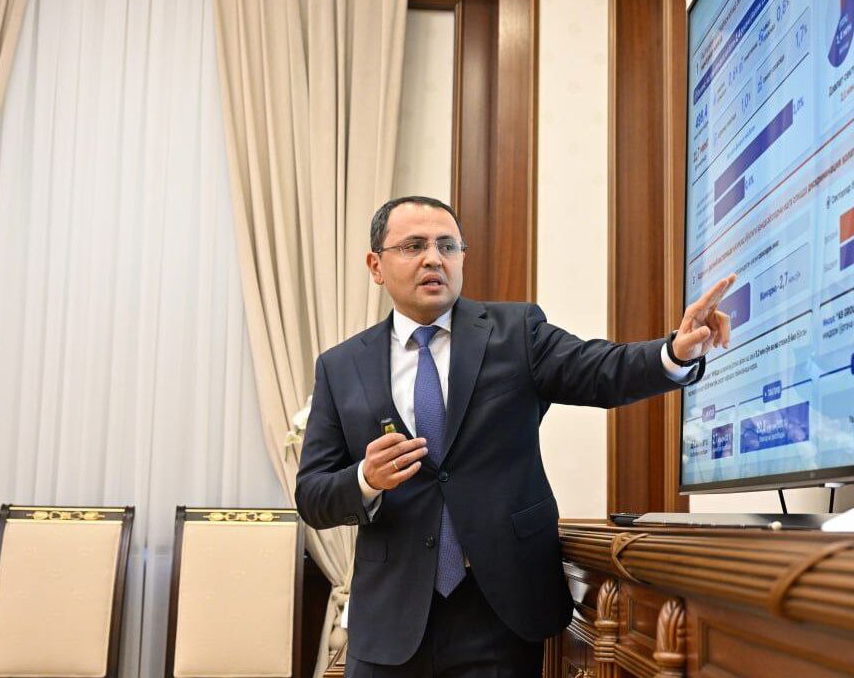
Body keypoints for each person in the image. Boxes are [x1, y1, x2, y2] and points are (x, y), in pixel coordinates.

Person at [296, 196, 733, 677]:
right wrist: (365, 479)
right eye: (414, 246)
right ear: (376, 265)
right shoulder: (340, 367)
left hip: (499, 613)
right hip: (390, 619)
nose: (434, 258)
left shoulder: (516, 332)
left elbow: (601, 370)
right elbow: (312, 495)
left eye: (447, 246)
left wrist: (675, 353)